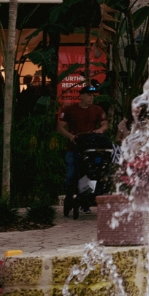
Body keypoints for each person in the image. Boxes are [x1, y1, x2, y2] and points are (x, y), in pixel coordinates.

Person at [58, 85, 108, 217]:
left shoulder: (97, 109)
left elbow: (104, 124)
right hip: (73, 147)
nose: (91, 98)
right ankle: (69, 196)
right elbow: (60, 127)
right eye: (88, 95)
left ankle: (85, 201)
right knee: (71, 175)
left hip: (89, 149)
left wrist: (100, 130)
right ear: (81, 96)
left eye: (92, 96)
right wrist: (70, 136)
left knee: (89, 174)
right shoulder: (70, 110)